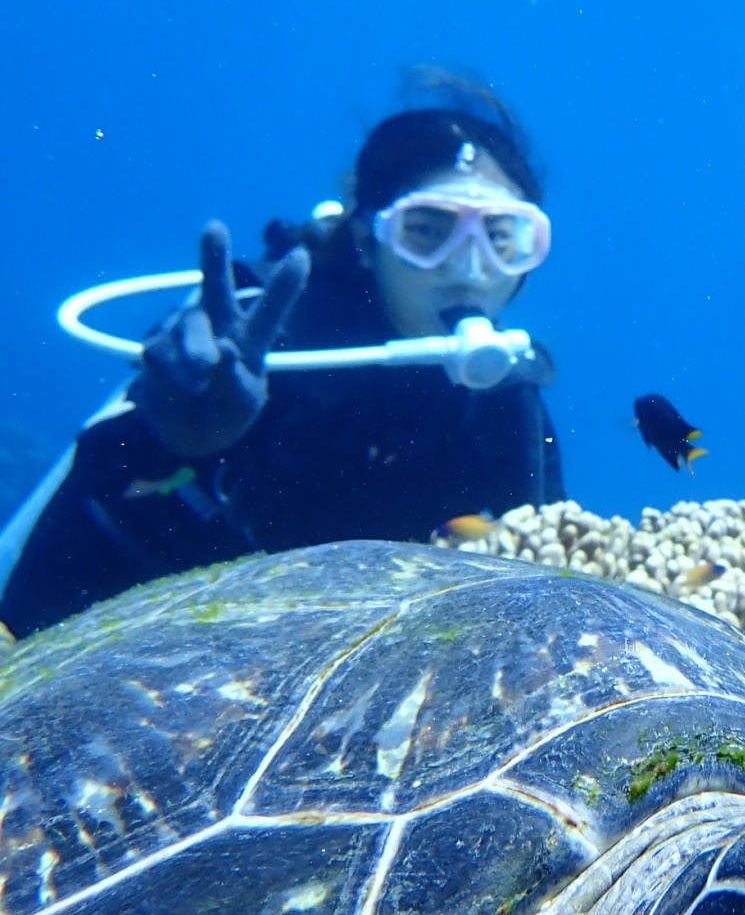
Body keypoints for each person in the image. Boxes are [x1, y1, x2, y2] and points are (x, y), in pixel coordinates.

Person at [0, 70, 564, 638]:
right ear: (367, 239)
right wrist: (172, 438)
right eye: (427, 231)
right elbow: (96, 482)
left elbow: (543, 579)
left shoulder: (506, 402)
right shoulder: (257, 333)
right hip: (104, 634)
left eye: (501, 237)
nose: (468, 266)